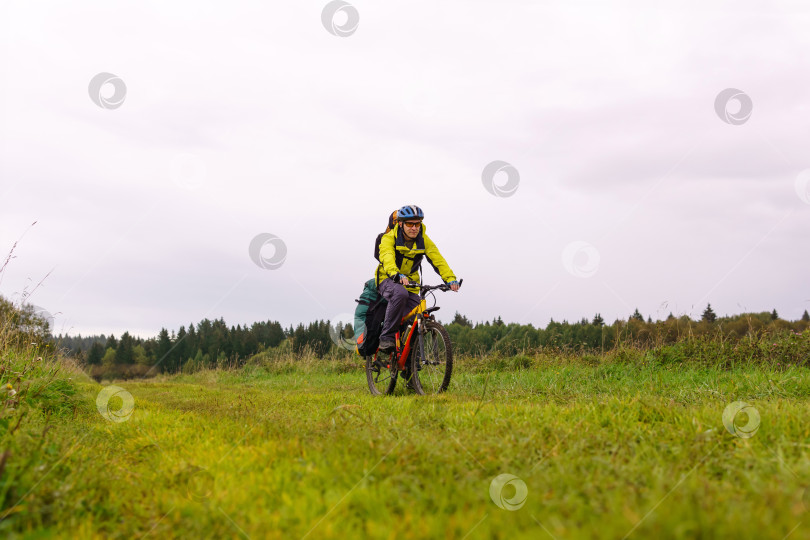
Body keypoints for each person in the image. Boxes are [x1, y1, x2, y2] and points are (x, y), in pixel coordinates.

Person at [375, 205, 459, 352]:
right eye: (409, 224)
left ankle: (410, 360)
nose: (414, 228)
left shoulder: (423, 240)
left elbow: (437, 259)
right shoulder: (389, 238)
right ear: (400, 224)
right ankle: (386, 337)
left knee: (418, 308)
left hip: (411, 284)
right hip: (387, 279)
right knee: (400, 293)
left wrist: (450, 279)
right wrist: (396, 274)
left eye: (417, 224)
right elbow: (387, 257)